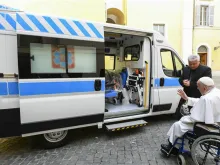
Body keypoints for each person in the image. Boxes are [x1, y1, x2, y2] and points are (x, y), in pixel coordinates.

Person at [161, 77, 220, 154]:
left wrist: (184, 118)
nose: (198, 89)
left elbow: (195, 118)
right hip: (216, 124)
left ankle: (172, 147)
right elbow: (201, 102)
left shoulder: (206, 98)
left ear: (204, 88)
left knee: (178, 125)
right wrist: (187, 98)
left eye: (198, 87)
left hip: (205, 126)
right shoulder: (216, 92)